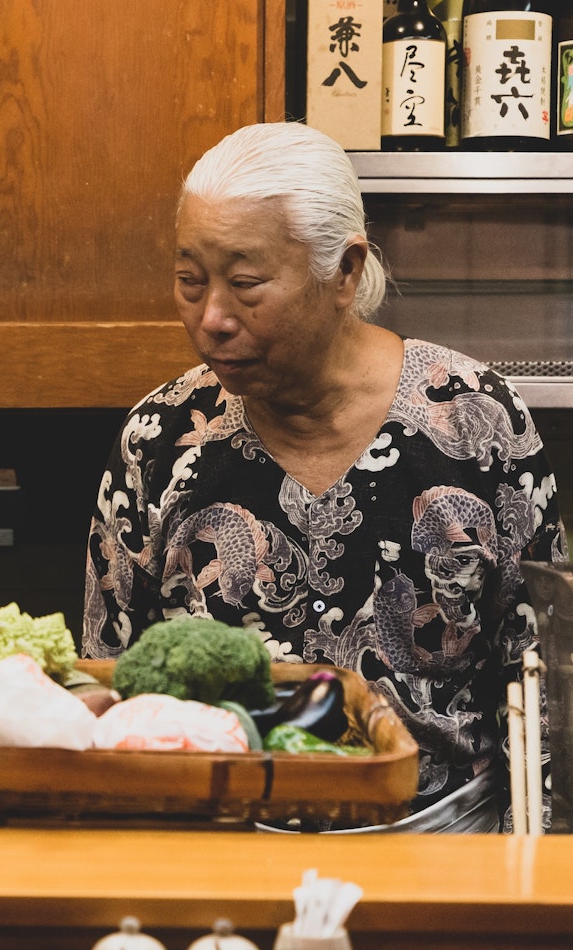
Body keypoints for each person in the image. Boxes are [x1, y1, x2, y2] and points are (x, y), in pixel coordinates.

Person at [83, 122, 566, 831]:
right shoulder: (160, 439)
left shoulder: (476, 421)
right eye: (189, 281)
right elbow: (104, 679)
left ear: (342, 272)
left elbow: (544, 682)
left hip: (440, 854)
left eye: (245, 284)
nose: (211, 317)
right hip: (213, 853)